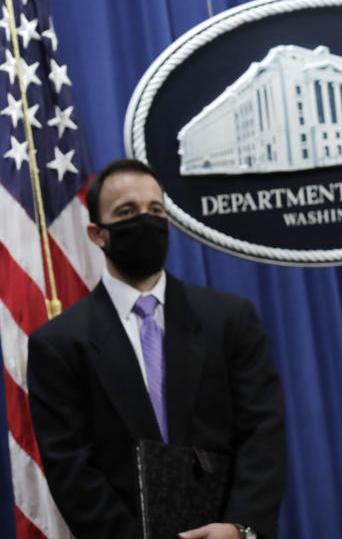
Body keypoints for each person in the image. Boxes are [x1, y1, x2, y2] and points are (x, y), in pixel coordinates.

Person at [27, 159, 286, 539]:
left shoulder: (230, 319)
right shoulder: (59, 343)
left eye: (155, 211)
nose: (145, 221)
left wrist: (239, 527)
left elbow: (263, 433)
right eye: (127, 212)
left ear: (168, 223)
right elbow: (70, 467)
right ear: (97, 234)